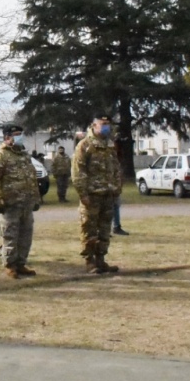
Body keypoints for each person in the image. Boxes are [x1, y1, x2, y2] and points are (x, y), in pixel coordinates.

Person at [0, 123, 40, 279]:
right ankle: (10, 265)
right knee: (10, 236)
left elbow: (31, 178)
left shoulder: (24, 155)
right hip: (9, 204)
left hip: (26, 203)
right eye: (16, 134)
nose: (19, 137)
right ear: (7, 137)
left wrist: (36, 197)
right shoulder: (0, 155)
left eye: (20, 134)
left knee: (25, 236)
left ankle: (21, 264)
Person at [72, 116, 121, 274]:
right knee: (89, 228)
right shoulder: (85, 145)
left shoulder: (110, 145)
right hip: (91, 195)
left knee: (105, 229)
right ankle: (89, 261)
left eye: (108, 124)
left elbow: (116, 167)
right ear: (94, 126)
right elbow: (78, 171)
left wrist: (117, 187)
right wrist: (83, 193)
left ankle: (101, 260)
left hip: (108, 194)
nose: (107, 127)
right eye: (103, 124)